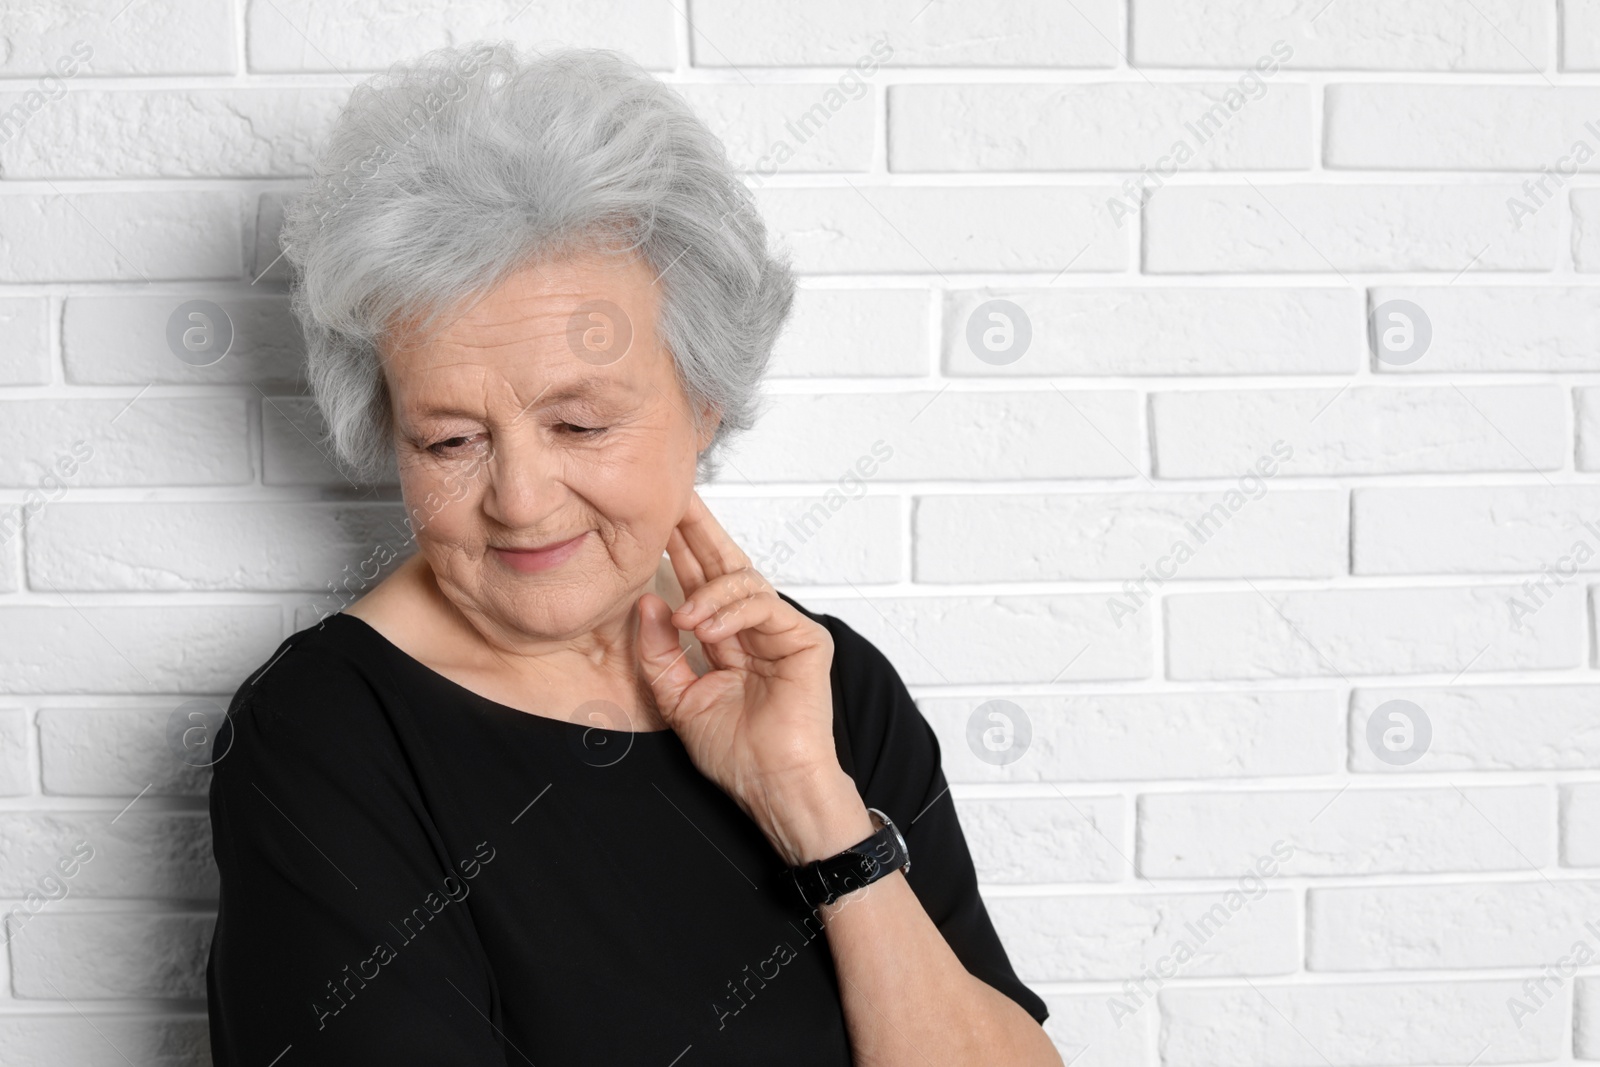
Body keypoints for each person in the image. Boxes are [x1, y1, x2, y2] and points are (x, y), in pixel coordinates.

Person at [205, 40, 1060, 1066]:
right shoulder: (328, 735)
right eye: (450, 440)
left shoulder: (823, 685)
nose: (518, 501)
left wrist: (813, 804)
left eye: (578, 426)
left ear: (703, 405)